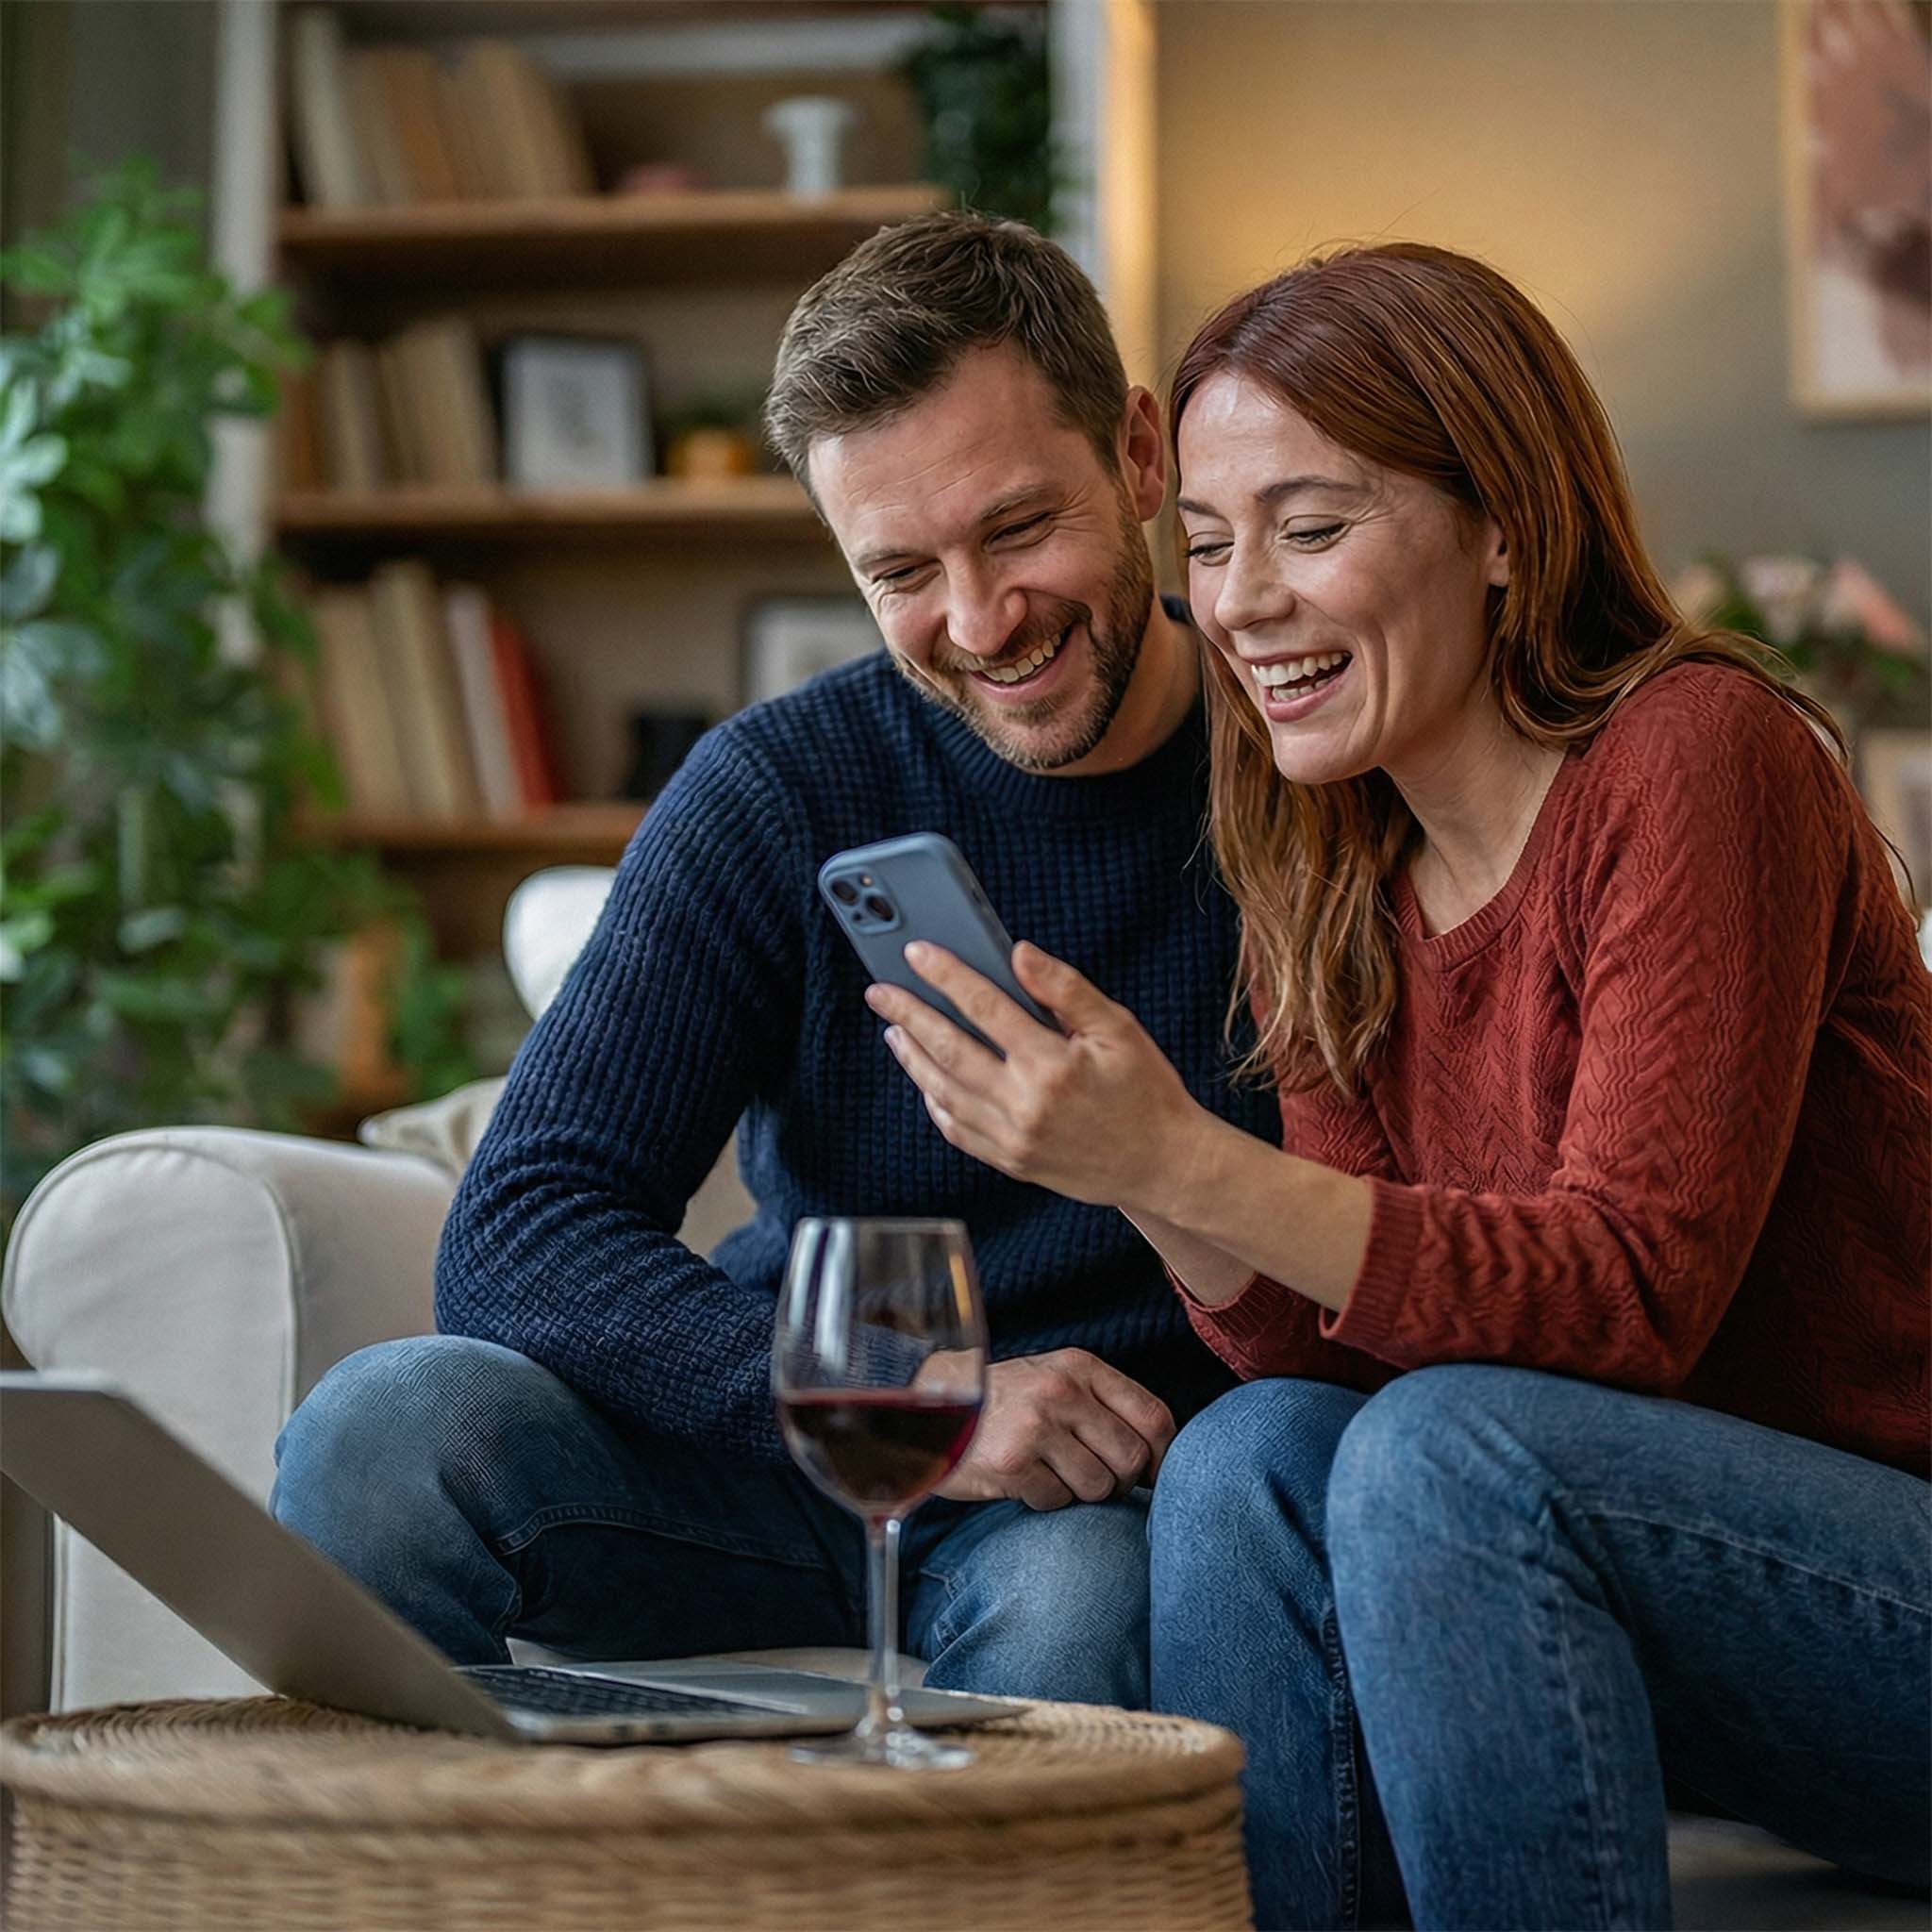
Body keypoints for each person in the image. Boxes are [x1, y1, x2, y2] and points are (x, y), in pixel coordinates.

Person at [864, 241, 1931, 1926]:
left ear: (1504, 522)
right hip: (1635, 1614)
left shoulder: (1696, 758)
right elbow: (1312, 1346)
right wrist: (1129, 1160)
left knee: (1445, 1450)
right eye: (1207, 547)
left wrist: (1189, 1161)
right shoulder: (1331, 854)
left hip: (1879, 1601)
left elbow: (1634, 1298)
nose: (1239, 603)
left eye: (1310, 527)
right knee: (1248, 1456)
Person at [269, 212, 1278, 1707]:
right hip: (783, 1451)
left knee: (1083, 1615)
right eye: (900, 572)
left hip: (1079, 1499)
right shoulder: (781, 790)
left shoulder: (1307, 762)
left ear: (1140, 456)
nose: (979, 621)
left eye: (1017, 529)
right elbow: (524, 1223)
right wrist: (918, 1399)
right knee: (383, 1431)